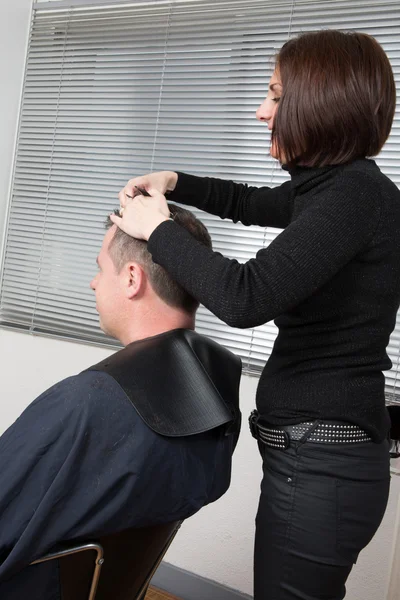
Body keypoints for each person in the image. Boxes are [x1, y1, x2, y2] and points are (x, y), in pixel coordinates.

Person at [113, 30, 400, 600]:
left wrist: (158, 229)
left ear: (317, 105)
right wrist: (173, 182)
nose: (261, 111)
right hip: (317, 455)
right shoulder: (333, 189)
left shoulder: (355, 196)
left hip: (323, 461)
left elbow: (246, 297)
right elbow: (249, 203)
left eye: (274, 96)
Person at [0, 204, 242, 599]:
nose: (94, 283)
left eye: (100, 268)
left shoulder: (87, 404)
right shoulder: (215, 389)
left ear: (132, 278)